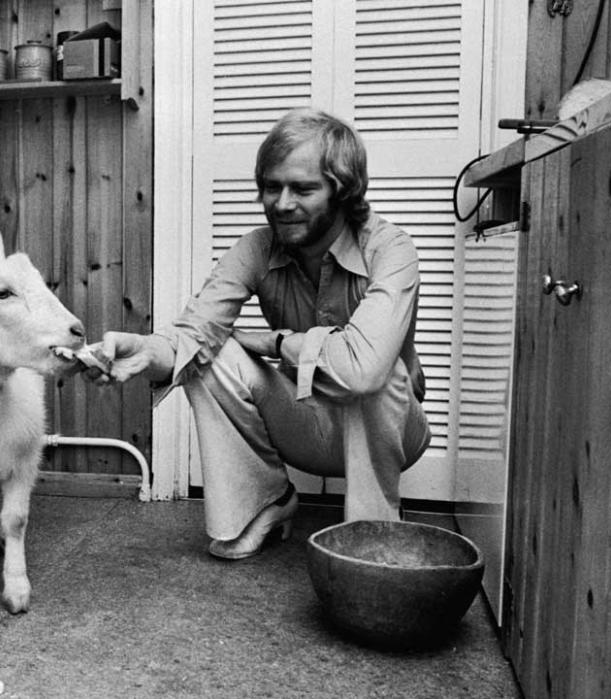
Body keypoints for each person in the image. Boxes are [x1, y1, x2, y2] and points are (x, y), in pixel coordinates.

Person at [85, 107, 431, 560]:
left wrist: (276, 343)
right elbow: (195, 333)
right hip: (306, 424)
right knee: (207, 356)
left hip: (392, 429)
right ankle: (266, 503)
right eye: (272, 186)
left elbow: (362, 372)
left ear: (342, 191)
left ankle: (370, 542)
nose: (282, 203)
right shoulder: (255, 247)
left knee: (375, 370)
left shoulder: (392, 249)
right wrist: (143, 352)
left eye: (303, 188)